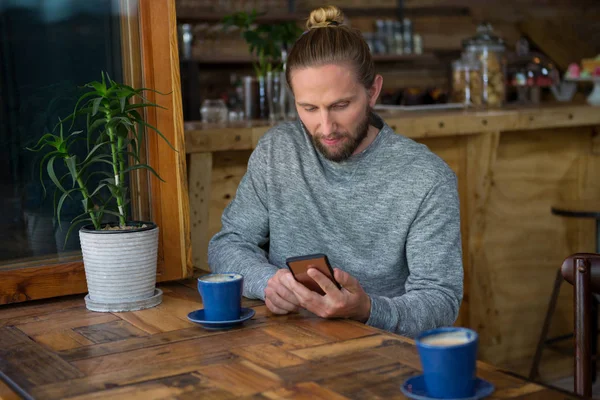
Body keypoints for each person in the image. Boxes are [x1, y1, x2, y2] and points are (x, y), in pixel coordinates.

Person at [208, 5, 463, 338]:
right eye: (309, 108)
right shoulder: (278, 152)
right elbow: (227, 244)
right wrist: (268, 281)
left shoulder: (427, 177)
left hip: (382, 359)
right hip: (282, 350)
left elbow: (441, 301)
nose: (325, 127)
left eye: (341, 105)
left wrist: (367, 309)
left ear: (373, 92)